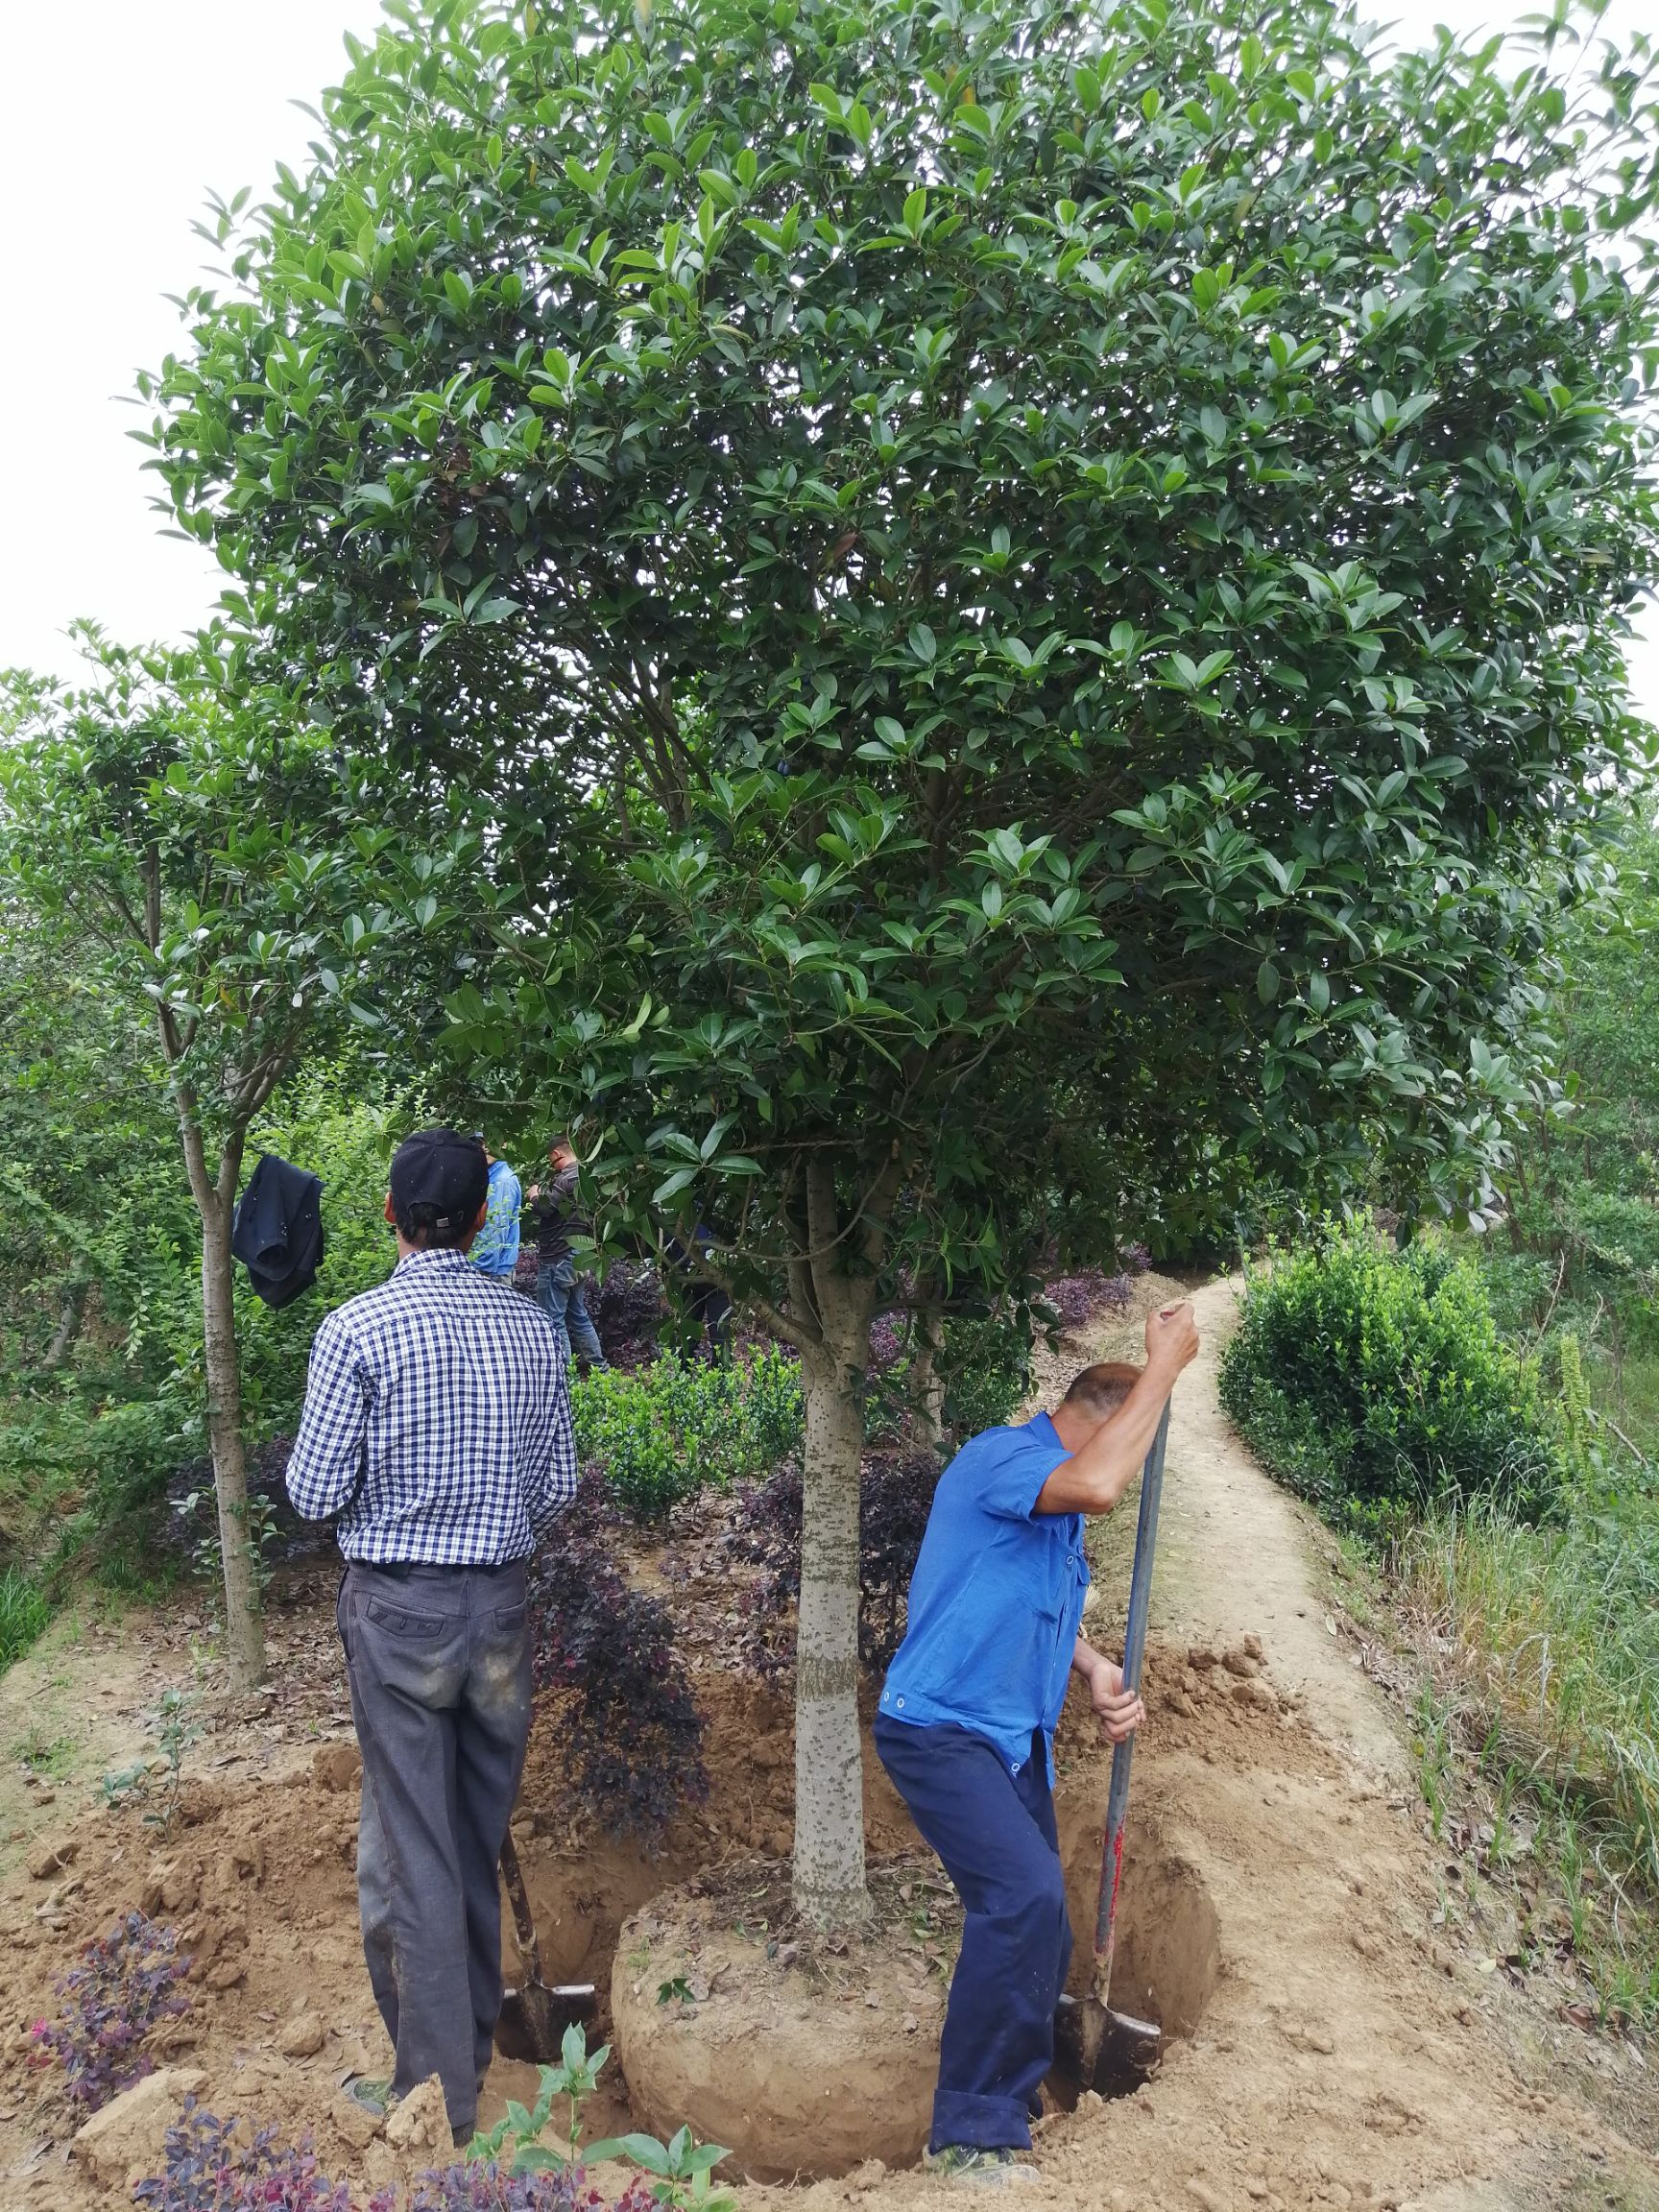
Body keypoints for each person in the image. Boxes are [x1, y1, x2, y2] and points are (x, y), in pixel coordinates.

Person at [284, 1127, 576, 2147]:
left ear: (391, 1217)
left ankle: (434, 2101)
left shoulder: (356, 1330)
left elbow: (316, 1490)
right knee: (467, 1834)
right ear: (486, 1218)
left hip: (399, 1616)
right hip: (499, 1612)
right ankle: (469, 2054)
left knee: (413, 1852)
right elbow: (557, 1487)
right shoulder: (532, 1327)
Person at [873, 1304, 1201, 2186]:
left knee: (1045, 1927)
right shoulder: (1002, 1459)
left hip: (1007, 1740)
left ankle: (1009, 2098)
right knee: (1019, 1900)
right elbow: (1097, 1483)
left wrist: (1090, 1668)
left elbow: (1027, 1605)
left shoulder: (1055, 1520)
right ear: (1096, 1414)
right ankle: (971, 2137)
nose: (1128, 1464)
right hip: (936, 1727)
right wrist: (1164, 1368)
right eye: (1130, 1435)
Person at [526, 1137, 608, 1372]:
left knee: (553, 1319)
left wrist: (534, 1194)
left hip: (557, 1258)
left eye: (551, 1161)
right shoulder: (589, 1177)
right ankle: (599, 1369)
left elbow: (544, 1208)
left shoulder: (564, 1179)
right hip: (580, 1255)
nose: (551, 1166)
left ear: (556, 1154)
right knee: (578, 1315)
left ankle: (563, 1374)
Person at [468, 1137, 522, 1280]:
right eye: (479, 1143)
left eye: (490, 1142)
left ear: (503, 1144)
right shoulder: (486, 1175)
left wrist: (478, 1274)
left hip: (492, 1272)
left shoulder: (501, 1181)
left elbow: (493, 1233)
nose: (484, 1148)